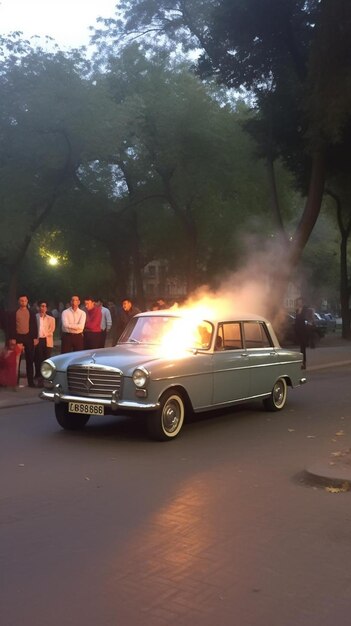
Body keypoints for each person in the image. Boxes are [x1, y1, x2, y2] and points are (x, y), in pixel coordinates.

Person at [7, 295, 38, 387]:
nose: (23, 302)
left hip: (28, 337)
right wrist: (12, 338)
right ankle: (15, 382)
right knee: (17, 361)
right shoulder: (14, 313)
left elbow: (34, 326)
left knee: (30, 360)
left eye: (24, 300)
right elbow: (11, 326)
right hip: (18, 337)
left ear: (27, 301)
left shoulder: (31, 313)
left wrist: (35, 338)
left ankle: (31, 382)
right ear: (18, 302)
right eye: (21, 300)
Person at [34, 301, 56, 385]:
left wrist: (44, 334)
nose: (42, 308)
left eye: (44, 306)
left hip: (47, 340)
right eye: (41, 306)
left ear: (46, 308)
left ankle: (46, 376)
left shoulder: (51, 319)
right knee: (38, 358)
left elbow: (52, 330)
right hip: (38, 340)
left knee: (46, 359)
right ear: (38, 307)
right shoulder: (35, 317)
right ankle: (39, 376)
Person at [294, 297, 309, 369]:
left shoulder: (305, 309)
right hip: (298, 330)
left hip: (303, 330)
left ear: (302, 302)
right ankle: (302, 362)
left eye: (300, 302)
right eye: (298, 302)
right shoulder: (297, 310)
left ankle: (304, 363)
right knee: (301, 348)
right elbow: (296, 320)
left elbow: (305, 318)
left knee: (303, 348)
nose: (299, 303)